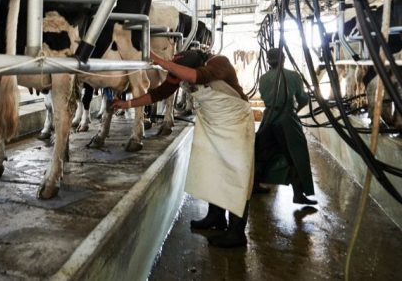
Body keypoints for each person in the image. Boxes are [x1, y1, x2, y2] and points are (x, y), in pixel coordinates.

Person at [113, 49, 254, 248]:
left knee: (235, 176)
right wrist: (126, 103)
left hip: (236, 122)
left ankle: (237, 233)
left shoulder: (220, 62)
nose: (179, 78)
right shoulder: (185, 72)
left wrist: (161, 61)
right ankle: (216, 217)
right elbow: (158, 94)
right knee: (214, 170)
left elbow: (198, 76)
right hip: (214, 122)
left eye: (180, 72)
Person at [254, 48, 317, 205]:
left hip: (268, 119)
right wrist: (293, 109)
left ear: (268, 61)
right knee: (295, 156)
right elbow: (303, 98)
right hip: (287, 120)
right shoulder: (294, 76)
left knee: (260, 153)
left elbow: (264, 96)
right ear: (283, 60)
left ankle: (254, 185)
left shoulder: (263, 78)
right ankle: (298, 194)